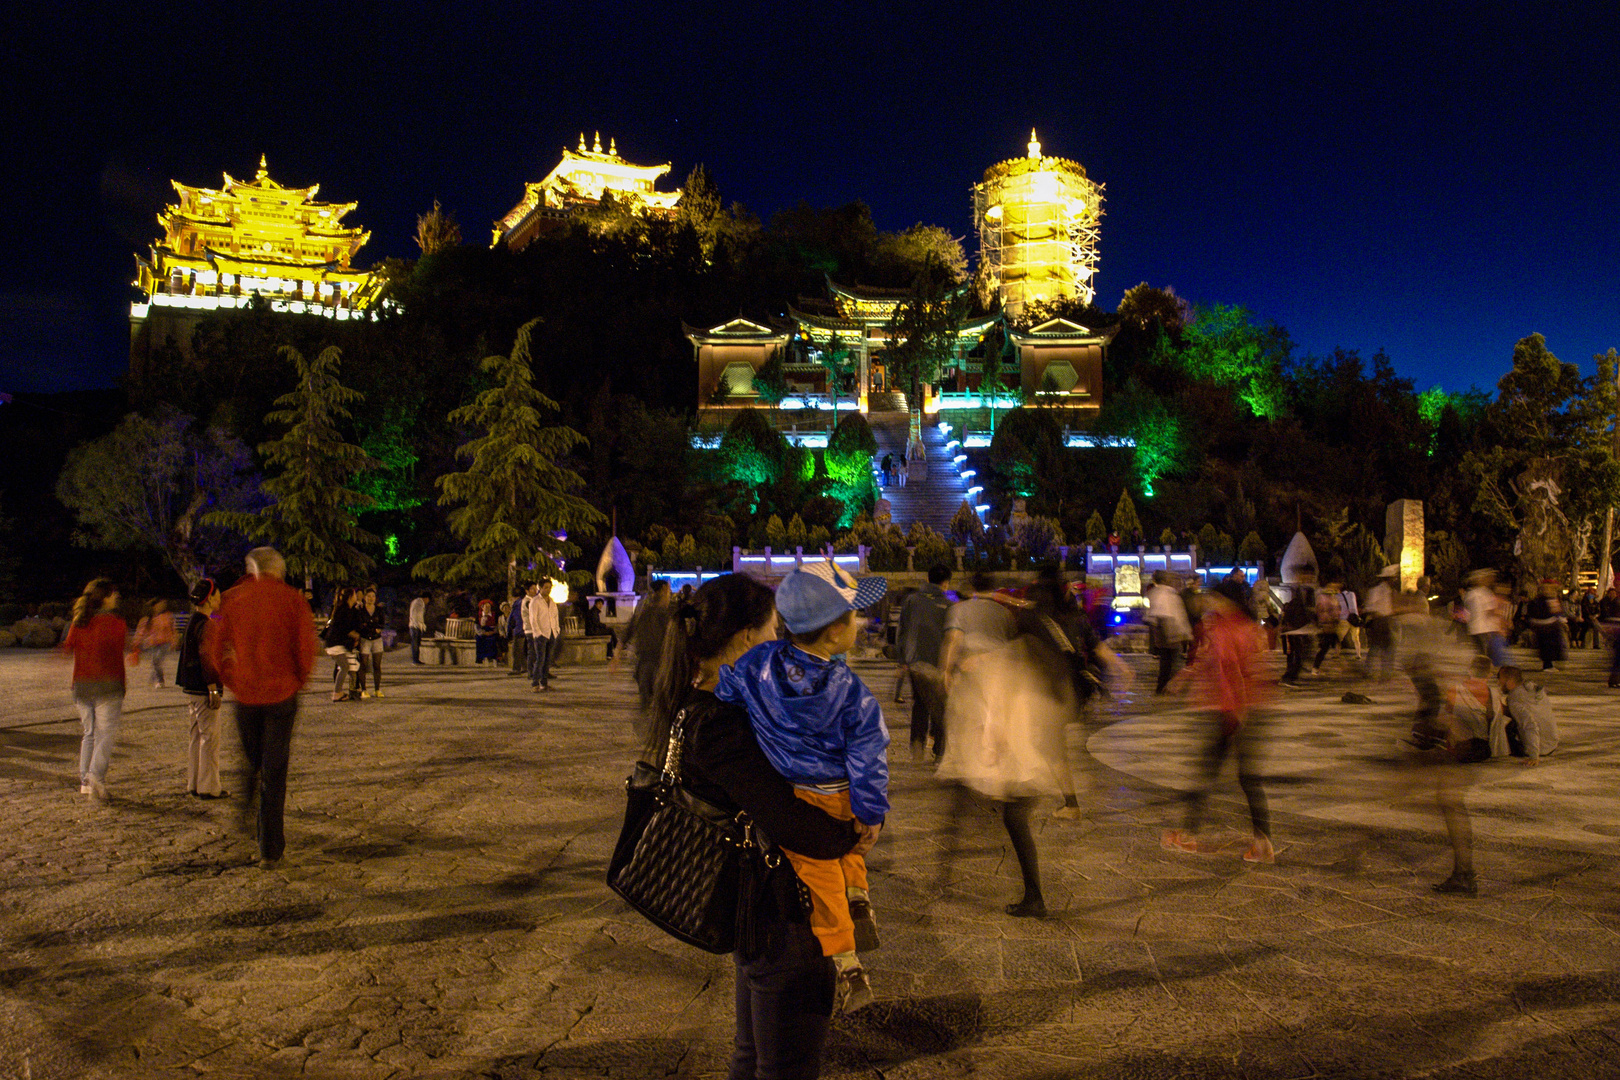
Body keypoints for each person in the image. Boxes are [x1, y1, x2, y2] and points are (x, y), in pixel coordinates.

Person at [648, 573, 872, 1077]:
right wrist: (852, 834)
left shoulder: (703, 701)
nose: (778, 641)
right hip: (781, 916)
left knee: (752, 1057)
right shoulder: (722, 720)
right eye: (773, 629)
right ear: (747, 636)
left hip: (756, 912)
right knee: (784, 1067)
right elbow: (788, 819)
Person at [717, 562, 889, 1014]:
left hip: (796, 791)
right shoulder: (853, 693)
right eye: (855, 617)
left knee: (818, 870)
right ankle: (852, 929)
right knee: (843, 854)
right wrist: (871, 814)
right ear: (834, 633)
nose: (861, 623)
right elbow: (868, 760)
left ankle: (849, 936)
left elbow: (728, 689)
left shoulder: (757, 664)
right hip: (840, 792)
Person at [937, 573, 1072, 916]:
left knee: (1007, 818)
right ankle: (1033, 895)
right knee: (1012, 820)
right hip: (1032, 755)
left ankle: (1033, 897)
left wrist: (994, 742)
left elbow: (1003, 703)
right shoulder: (1043, 653)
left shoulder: (1017, 654)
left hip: (1018, 758)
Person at [204, 548, 318, 867]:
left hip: (246, 695)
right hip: (281, 693)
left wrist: (230, 678)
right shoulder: (293, 600)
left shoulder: (229, 599)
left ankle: (247, 801)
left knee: (253, 758)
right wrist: (299, 679)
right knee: (275, 769)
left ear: (250, 567)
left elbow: (214, 643)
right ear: (278, 570)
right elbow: (306, 645)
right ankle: (270, 848)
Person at [1161, 579, 1275, 863]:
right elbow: (1212, 661)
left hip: (1231, 712)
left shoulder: (1225, 628)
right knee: (1247, 778)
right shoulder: (1245, 625)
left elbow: (1230, 670)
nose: (1208, 601)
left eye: (1214, 597)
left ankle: (1188, 836)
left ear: (1227, 601)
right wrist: (1183, 677)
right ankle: (1262, 843)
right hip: (1254, 707)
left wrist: (1235, 714)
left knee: (1208, 772)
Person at [61, 578, 128, 801]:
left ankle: (84, 781)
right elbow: (118, 650)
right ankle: (95, 776)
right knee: (104, 735)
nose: (117, 596)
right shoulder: (116, 623)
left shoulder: (79, 622)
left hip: (81, 686)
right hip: (108, 686)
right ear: (105, 597)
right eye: (113, 593)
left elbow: (68, 647)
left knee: (89, 734)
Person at [175, 577, 228, 798]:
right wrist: (213, 687)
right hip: (203, 688)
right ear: (208, 599)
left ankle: (194, 783)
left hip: (191, 688)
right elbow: (207, 657)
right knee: (209, 739)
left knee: (196, 736)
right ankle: (209, 787)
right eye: (217, 595)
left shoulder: (192, 621)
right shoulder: (207, 625)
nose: (220, 599)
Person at [897, 564, 952, 762]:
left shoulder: (912, 601)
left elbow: (902, 631)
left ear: (928, 580)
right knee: (941, 705)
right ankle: (939, 749)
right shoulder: (948, 605)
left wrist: (902, 660)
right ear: (945, 583)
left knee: (920, 704)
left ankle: (918, 744)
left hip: (915, 661)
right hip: (940, 663)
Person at [624, 580, 673, 712]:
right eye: (668, 590)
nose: (670, 593)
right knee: (658, 703)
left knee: (649, 702)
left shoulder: (644, 609)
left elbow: (629, 629)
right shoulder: (663, 612)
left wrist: (617, 651)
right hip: (657, 662)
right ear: (663, 589)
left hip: (646, 662)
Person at [1499, 666, 1559, 765]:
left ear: (1510, 682)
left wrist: (1534, 756)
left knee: (1506, 729)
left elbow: (1531, 725)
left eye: (1500, 680)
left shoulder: (1514, 700)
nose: (1499, 684)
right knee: (1517, 717)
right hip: (1552, 742)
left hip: (1540, 748)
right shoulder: (1533, 688)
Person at [1145, 571, 1191, 694]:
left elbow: (1152, 615)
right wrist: (1184, 632)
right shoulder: (1167, 594)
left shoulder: (1156, 592)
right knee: (1169, 661)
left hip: (1165, 632)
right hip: (1169, 632)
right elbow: (1174, 614)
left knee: (1167, 662)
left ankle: (1164, 686)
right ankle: (1166, 687)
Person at [322, 587, 362, 702]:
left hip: (337, 643)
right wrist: (353, 634)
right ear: (350, 597)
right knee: (344, 667)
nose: (356, 596)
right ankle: (337, 693)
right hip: (335, 644)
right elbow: (343, 627)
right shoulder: (343, 609)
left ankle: (340, 691)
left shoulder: (348, 609)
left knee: (345, 667)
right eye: (354, 594)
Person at [1364, 566, 1398, 681]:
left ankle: (1385, 672)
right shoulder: (1377, 590)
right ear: (1388, 579)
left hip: (1386, 620)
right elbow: (1369, 606)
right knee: (1377, 647)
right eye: (1393, 578)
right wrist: (1378, 616)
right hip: (1379, 621)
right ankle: (1371, 671)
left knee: (1386, 648)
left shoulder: (1388, 591)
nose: (1395, 580)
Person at [525, 579, 560, 692]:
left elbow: (555, 617)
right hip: (541, 634)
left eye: (550, 587)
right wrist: (538, 633)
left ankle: (544, 684)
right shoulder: (535, 601)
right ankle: (535, 684)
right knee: (540, 659)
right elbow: (533, 619)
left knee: (547, 660)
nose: (548, 590)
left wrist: (556, 630)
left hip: (551, 633)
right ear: (540, 588)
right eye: (546, 587)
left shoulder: (552, 602)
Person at [136, 599, 178, 688]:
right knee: (155, 662)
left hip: (165, 642)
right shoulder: (148, 618)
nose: (162, 606)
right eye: (160, 604)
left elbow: (173, 629)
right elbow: (141, 631)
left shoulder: (167, 616)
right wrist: (137, 643)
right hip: (153, 644)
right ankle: (155, 677)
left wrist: (174, 641)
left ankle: (160, 680)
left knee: (156, 660)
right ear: (154, 606)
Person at [1526, 582, 1566, 672]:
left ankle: (1551, 663)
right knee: (1546, 646)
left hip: (1552, 625)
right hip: (1544, 626)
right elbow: (1534, 613)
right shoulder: (1538, 601)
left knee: (1554, 645)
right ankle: (1547, 665)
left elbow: (1558, 611)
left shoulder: (1554, 599)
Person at [355, 585, 385, 697]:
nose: (371, 598)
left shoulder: (379, 610)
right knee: (363, 664)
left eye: (373, 596)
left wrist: (376, 627)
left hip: (377, 639)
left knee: (377, 664)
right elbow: (360, 625)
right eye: (368, 596)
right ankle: (363, 689)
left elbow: (382, 623)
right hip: (365, 639)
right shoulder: (360, 610)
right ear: (364, 597)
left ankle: (377, 689)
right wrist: (371, 627)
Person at [507, 588, 528, 676]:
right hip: (524, 629)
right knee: (521, 650)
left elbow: (513, 618)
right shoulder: (523, 602)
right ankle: (525, 667)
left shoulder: (517, 604)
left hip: (519, 630)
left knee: (516, 650)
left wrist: (509, 630)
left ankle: (516, 669)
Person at [475, 597, 500, 664]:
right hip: (483, 632)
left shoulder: (494, 615)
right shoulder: (479, 616)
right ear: (482, 608)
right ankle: (480, 658)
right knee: (479, 639)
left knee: (492, 639)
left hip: (492, 631)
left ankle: (492, 657)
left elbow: (497, 625)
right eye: (486, 607)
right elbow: (477, 627)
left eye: (489, 607)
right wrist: (483, 633)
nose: (487, 608)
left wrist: (492, 632)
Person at [409, 591, 428, 664]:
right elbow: (419, 616)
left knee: (415, 643)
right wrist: (422, 626)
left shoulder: (414, 601)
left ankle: (416, 659)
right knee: (416, 644)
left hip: (412, 624)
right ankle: (415, 660)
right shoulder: (420, 603)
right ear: (426, 598)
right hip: (416, 626)